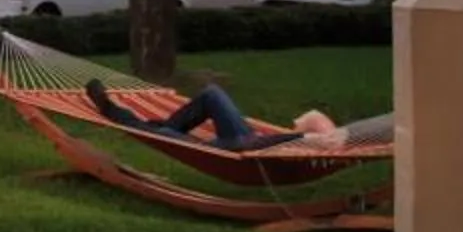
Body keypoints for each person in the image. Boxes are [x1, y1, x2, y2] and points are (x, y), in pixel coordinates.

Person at [85, 79, 346, 153]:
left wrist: (304, 136)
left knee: (157, 133)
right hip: (243, 140)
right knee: (212, 93)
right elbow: (264, 140)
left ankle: (108, 107)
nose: (295, 122)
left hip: (235, 148)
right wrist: (303, 135)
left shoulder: (303, 143)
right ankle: (167, 127)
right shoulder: (297, 140)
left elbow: (254, 145)